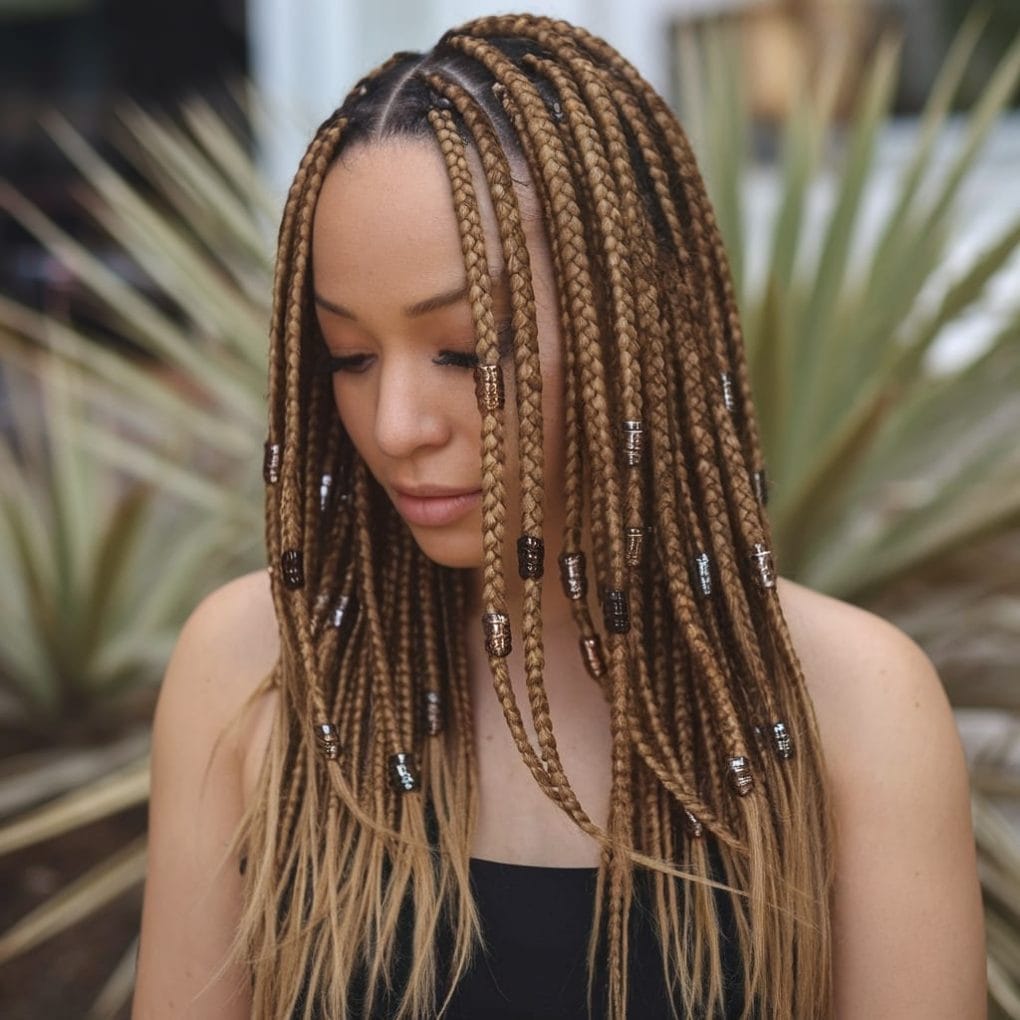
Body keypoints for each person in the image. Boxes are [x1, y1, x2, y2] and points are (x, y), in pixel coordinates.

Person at [131, 13, 985, 1020]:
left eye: (464, 353)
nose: (397, 425)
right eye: (349, 358)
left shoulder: (856, 709)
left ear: (635, 331)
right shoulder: (255, 677)